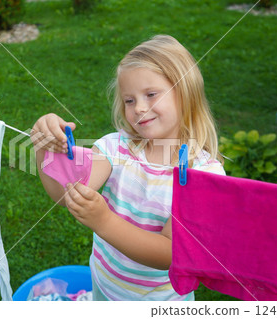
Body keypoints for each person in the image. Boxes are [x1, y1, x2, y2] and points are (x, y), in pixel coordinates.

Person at [30, 35, 225, 301]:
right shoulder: (115, 147)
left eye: (151, 94)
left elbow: (170, 254)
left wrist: (104, 221)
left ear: (186, 92)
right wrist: (46, 148)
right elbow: (67, 193)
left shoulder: (204, 175)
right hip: (104, 285)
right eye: (129, 100)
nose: (139, 108)